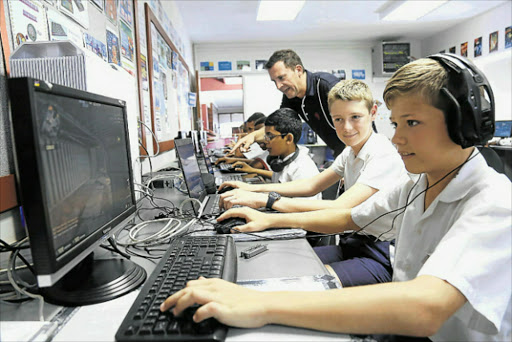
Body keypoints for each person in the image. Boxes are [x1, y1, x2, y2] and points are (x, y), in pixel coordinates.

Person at [160, 54, 511, 341]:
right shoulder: (418, 183)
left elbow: (426, 308)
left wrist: (261, 304)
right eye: (396, 124)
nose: (397, 139)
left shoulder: (494, 204)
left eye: (412, 123)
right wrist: (270, 217)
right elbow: (348, 218)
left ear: (464, 125)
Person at [218, 79, 406, 284]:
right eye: (338, 119)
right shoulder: (350, 151)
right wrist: (254, 190)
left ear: (373, 112)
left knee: (300, 282)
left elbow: (339, 208)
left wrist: (267, 203)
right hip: (353, 244)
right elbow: (311, 185)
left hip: (379, 255)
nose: (346, 127)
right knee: (277, 264)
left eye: (355, 117)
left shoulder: (382, 154)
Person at [230, 49, 345, 158]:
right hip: (340, 152)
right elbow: (278, 124)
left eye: (281, 78)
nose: (278, 86)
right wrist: (253, 136)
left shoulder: (327, 85)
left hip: (355, 150)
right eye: (275, 81)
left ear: (298, 70)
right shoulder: (291, 96)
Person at [230, 108, 321, 191]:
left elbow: (304, 207)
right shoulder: (283, 159)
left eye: (270, 136)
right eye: (265, 136)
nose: (266, 141)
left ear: (289, 139)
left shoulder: (302, 169)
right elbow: (279, 181)